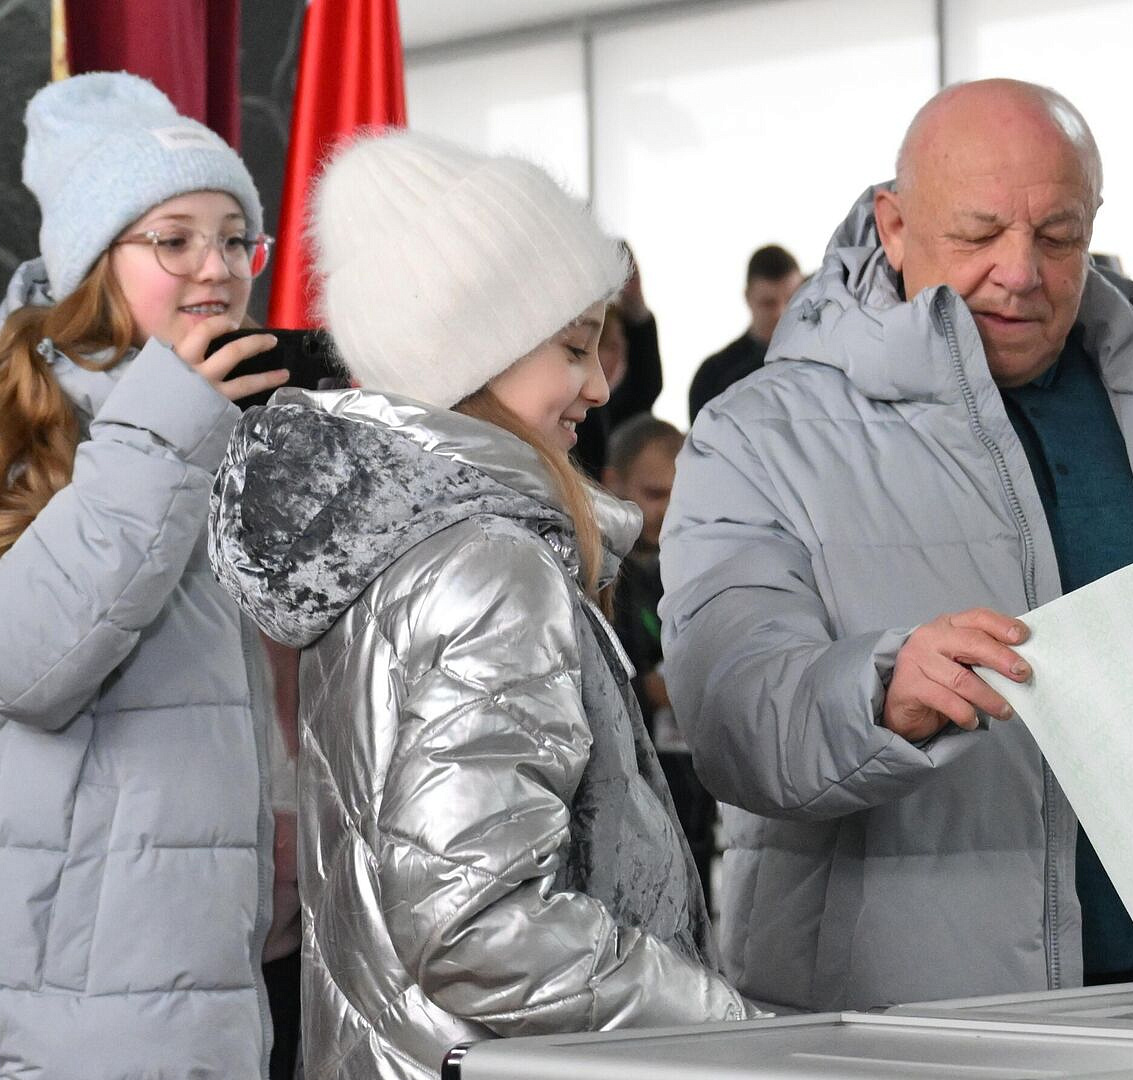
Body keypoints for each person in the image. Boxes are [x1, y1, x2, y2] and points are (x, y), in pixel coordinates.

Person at [662, 79, 1133, 1012]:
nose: (1021, 271)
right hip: (911, 1040)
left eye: (1058, 236)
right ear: (892, 224)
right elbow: (730, 719)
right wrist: (877, 694)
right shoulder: (759, 434)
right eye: (977, 235)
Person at [208, 130, 756, 1080]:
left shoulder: (388, 547)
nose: (598, 384)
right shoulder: (486, 568)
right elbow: (476, 929)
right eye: (575, 348)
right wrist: (723, 1020)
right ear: (475, 349)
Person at [0, 73, 292, 1077]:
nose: (218, 267)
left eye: (236, 237)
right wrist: (165, 429)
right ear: (91, 261)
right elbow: (27, 666)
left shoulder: (207, 449)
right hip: (51, 1027)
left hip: (207, 1005)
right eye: (176, 238)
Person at [601, 415, 717, 893]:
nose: (669, 510)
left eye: (680, 493)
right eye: (654, 494)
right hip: (632, 787)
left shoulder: (698, 567)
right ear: (613, 484)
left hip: (693, 782)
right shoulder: (602, 575)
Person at [686, 244, 803, 423]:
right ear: (748, 297)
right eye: (768, 303)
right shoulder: (714, 375)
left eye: (791, 299)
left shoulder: (829, 361)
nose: (781, 313)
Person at [573, 247, 664, 477]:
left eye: (620, 347)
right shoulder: (576, 416)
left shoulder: (628, 405)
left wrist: (635, 297)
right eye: (609, 347)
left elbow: (648, 382)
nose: (619, 357)